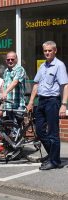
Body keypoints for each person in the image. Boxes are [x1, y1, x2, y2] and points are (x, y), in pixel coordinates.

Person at [27, 41, 68, 170]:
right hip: (42, 101)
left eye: (50, 50)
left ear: (55, 51)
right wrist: (31, 102)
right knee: (39, 130)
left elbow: (65, 85)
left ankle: (54, 161)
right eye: (45, 51)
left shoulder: (59, 65)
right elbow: (36, 84)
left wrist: (64, 104)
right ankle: (52, 156)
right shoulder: (43, 66)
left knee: (52, 133)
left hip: (53, 101)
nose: (47, 53)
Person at [1, 51, 26, 120]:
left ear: (16, 60)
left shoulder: (19, 69)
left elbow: (15, 82)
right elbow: (4, 85)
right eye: (8, 59)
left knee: (16, 127)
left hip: (18, 104)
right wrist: (3, 95)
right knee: (9, 127)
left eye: (12, 59)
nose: (10, 61)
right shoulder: (6, 71)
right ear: (6, 61)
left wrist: (5, 92)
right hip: (8, 104)